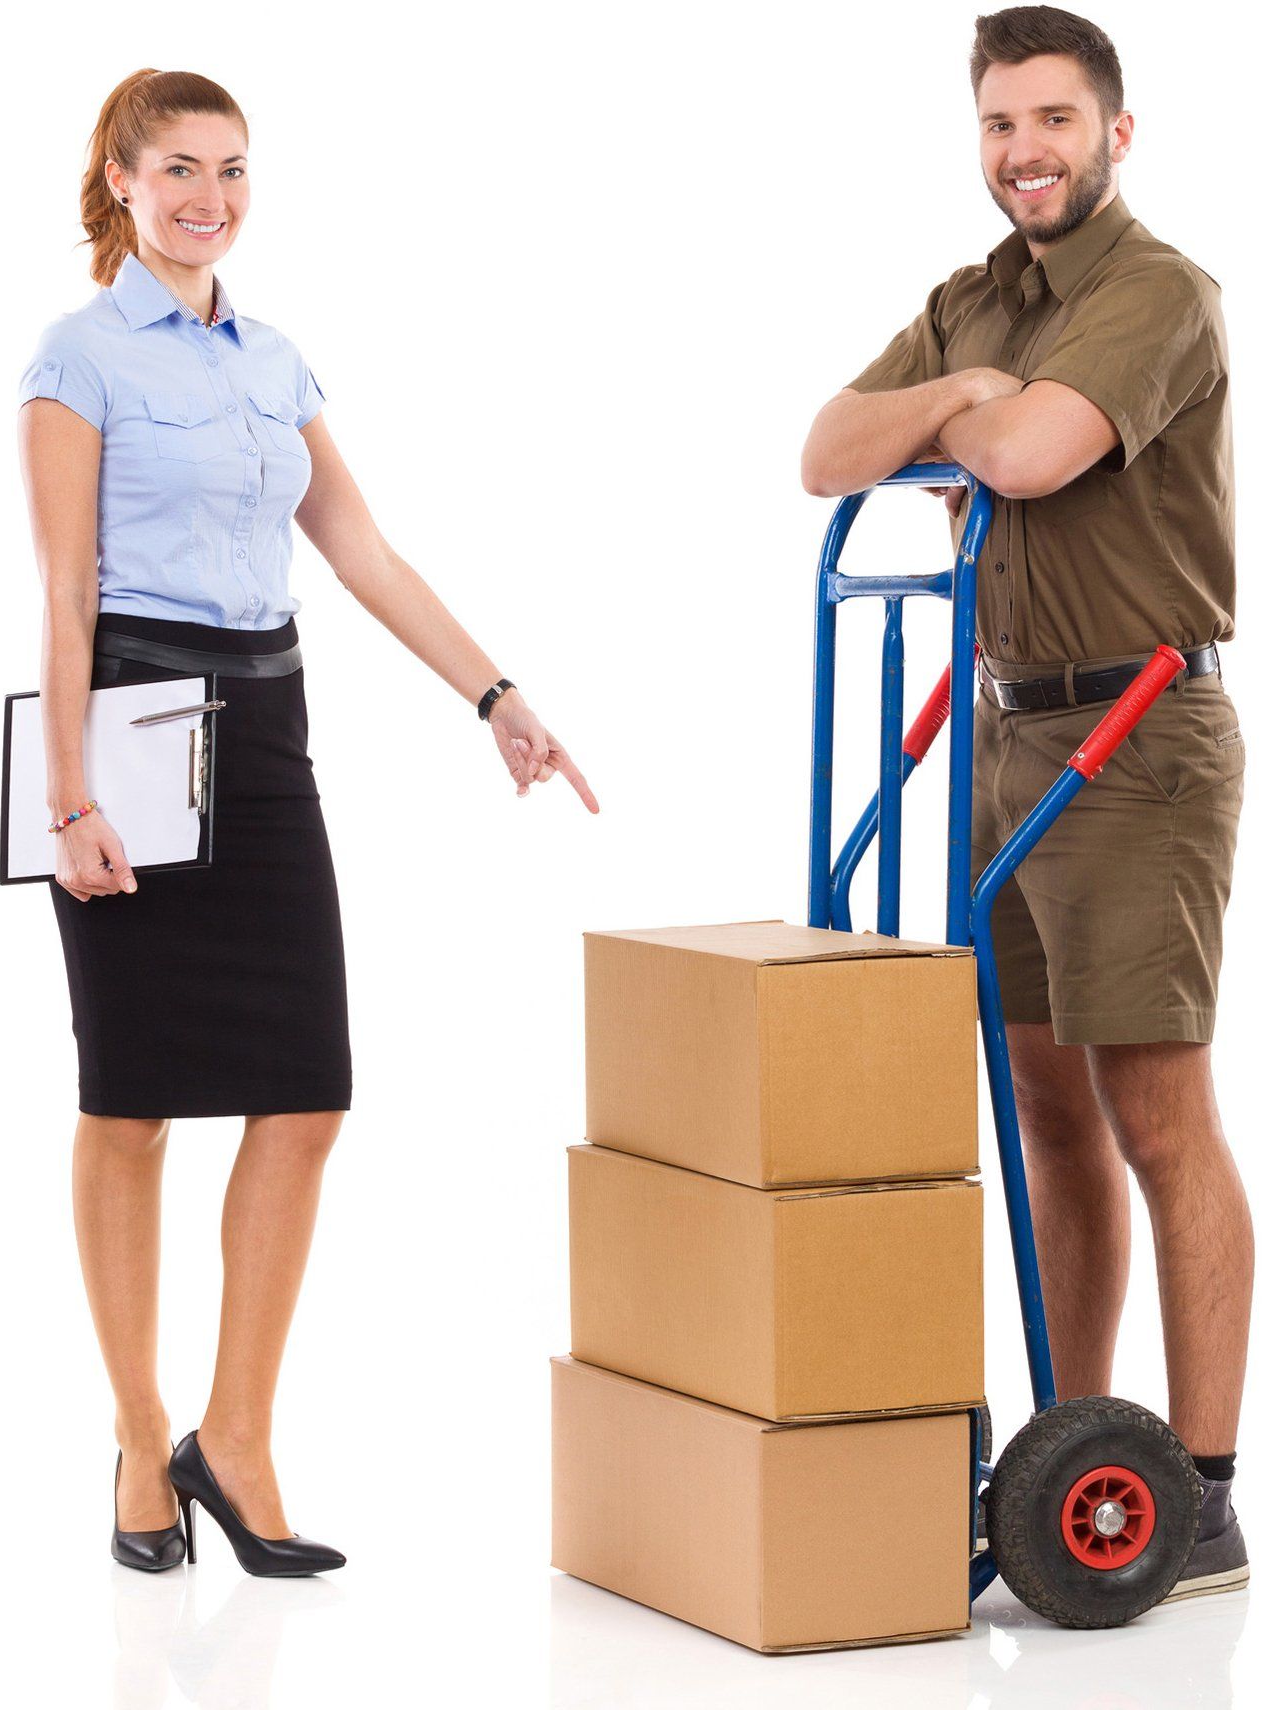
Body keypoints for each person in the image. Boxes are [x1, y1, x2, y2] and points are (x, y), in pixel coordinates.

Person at [18, 67, 598, 1577]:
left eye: (231, 169)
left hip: (266, 736)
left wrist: (497, 696)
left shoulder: (273, 359)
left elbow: (359, 546)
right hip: (132, 730)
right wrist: (70, 796)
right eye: (178, 170)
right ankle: (141, 1439)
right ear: (123, 183)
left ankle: (240, 1432)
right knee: (130, 1101)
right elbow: (65, 587)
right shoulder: (76, 358)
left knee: (308, 1092)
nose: (208, 195)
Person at [801, 7, 1248, 1602]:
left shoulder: (1159, 293)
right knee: (1048, 1118)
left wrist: (965, 419)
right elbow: (822, 453)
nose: (1024, 153)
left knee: (1155, 1116)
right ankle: (1079, 1446)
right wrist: (951, 396)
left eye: (1052, 121)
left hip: (1138, 736)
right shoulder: (973, 296)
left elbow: (1044, 452)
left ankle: (1199, 1495)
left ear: (1115, 131)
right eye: (1000, 126)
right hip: (1005, 736)